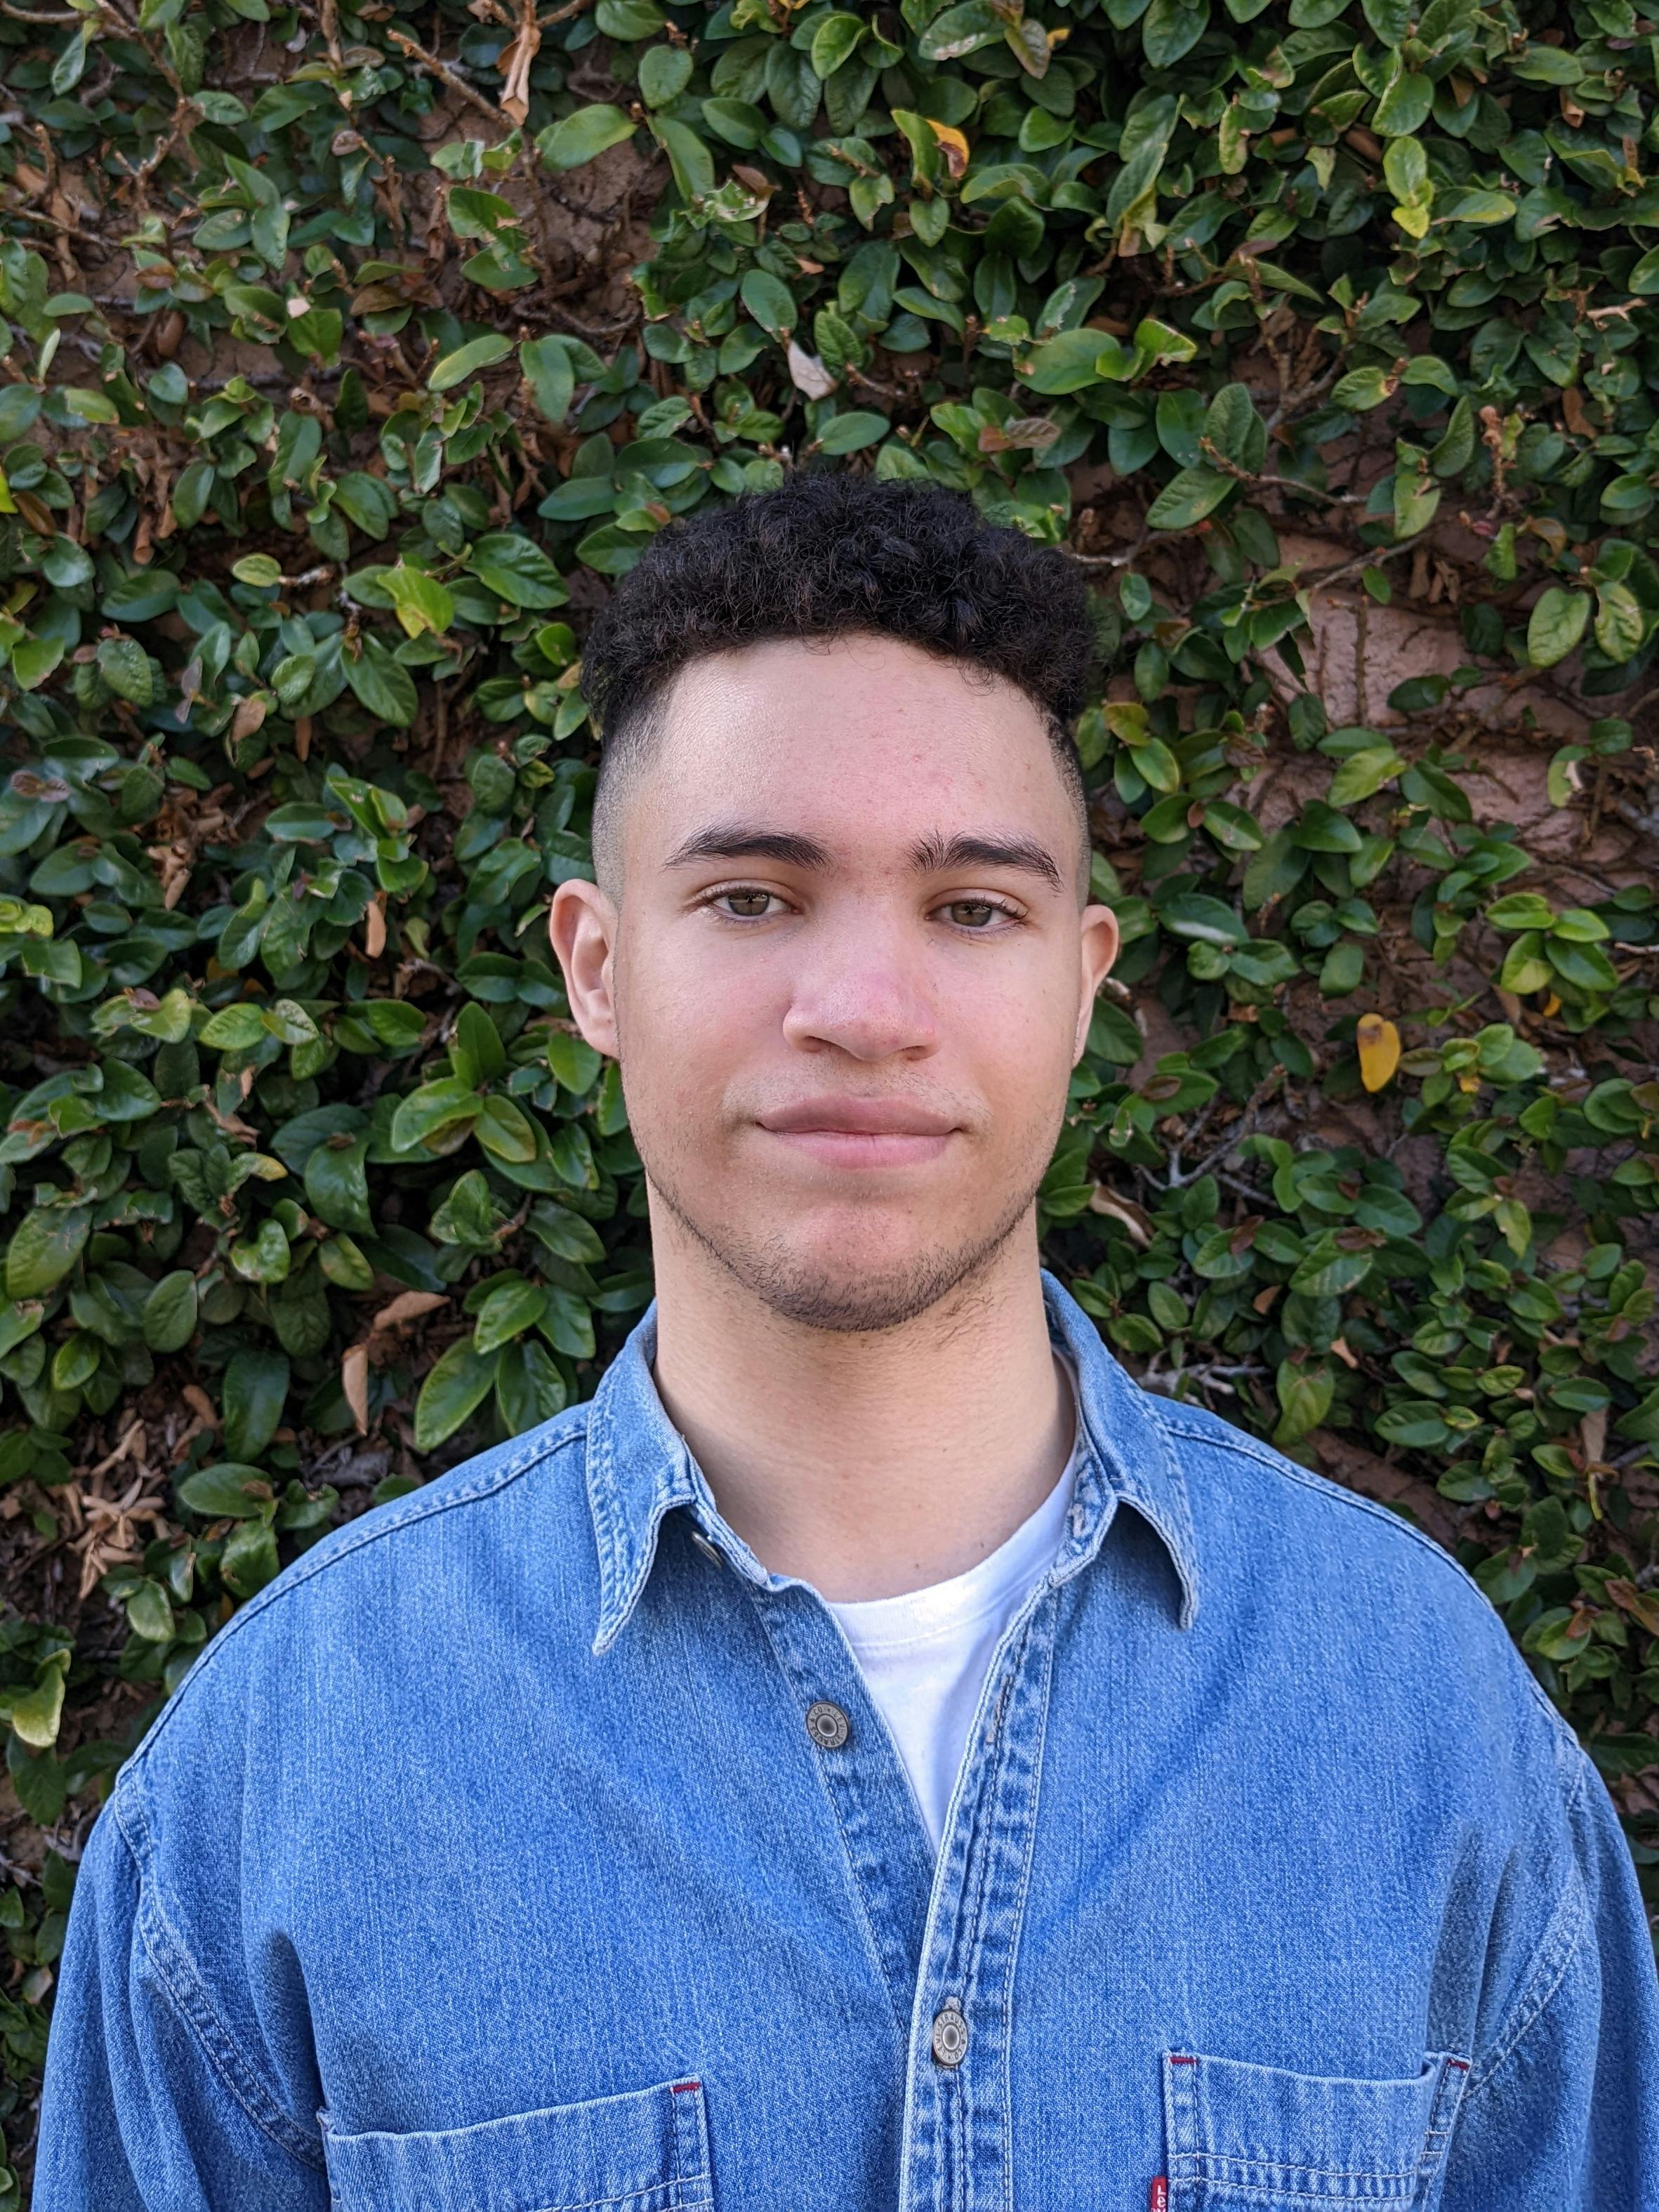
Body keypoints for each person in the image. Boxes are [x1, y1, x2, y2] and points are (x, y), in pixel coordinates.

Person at [35, 476, 1659, 2210]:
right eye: (750, 896)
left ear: (1085, 982)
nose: (865, 1011)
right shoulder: (290, 1763)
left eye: (973, 909)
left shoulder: (1418, 1709)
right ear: (596, 969)